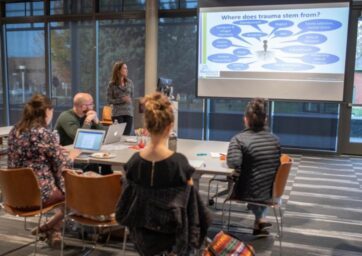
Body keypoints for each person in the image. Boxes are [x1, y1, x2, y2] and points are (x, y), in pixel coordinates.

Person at [116, 92, 210, 255]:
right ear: (170, 126)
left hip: (141, 237)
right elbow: (194, 210)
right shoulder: (179, 164)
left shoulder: (133, 163)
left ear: (145, 127)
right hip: (173, 237)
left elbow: (124, 205)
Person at [7, 94, 80, 248]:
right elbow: (62, 165)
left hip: (14, 194)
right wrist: (71, 156)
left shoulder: (14, 131)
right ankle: (48, 226)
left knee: (57, 181)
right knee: (78, 190)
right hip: (39, 194)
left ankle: (53, 230)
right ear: (47, 111)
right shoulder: (45, 134)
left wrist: (54, 150)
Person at [226, 98, 281, 236]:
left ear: (245, 119)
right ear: (266, 119)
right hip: (271, 191)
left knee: (241, 178)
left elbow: (233, 163)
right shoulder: (275, 140)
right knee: (259, 176)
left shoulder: (239, 139)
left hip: (247, 191)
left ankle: (260, 219)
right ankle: (260, 220)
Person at [107, 61, 134, 135]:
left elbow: (131, 97)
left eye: (127, 68)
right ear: (118, 70)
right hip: (117, 114)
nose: (127, 70)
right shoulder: (112, 84)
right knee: (118, 136)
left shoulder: (130, 82)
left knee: (127, 136)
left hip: (128, 113)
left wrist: (129, 100)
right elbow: (109, 100)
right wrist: (121, 100)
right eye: (125, 68)